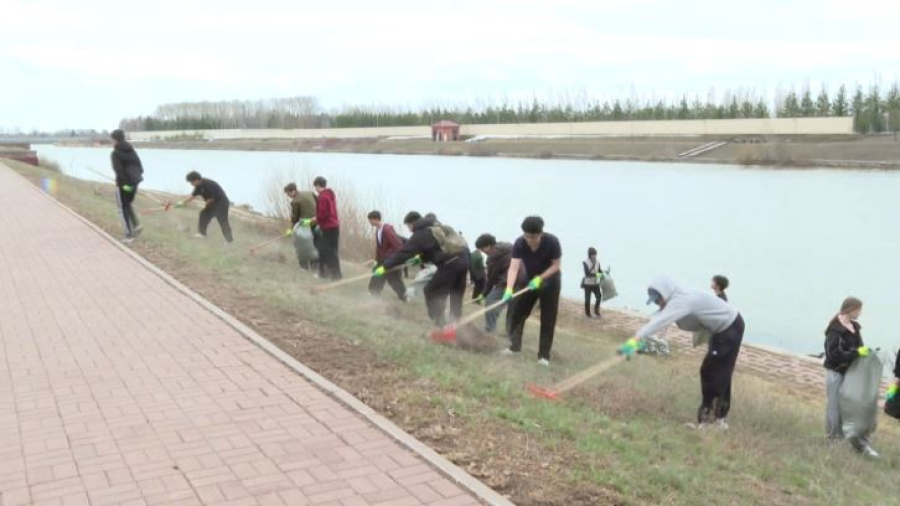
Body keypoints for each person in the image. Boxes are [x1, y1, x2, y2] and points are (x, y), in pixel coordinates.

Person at [620, 276, 745, 429]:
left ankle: (710, 422)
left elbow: (659, 321)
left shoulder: (681, 301)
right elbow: (660, 317)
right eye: (655, 301)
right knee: (718, 371)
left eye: (658, 300)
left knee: (712, 372)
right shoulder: (679, 297)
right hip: (726, 328)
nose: (658, 303)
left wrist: (634, 341)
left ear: (665, 293)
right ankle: (718, 421)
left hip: (729, 328)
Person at [379, 212, 468, 326]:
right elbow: (436, 249)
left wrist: (385, 266)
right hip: (464, 260)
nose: (409, 230)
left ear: (413, 223)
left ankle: (441, 325)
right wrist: (420, 259)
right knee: (456, 293)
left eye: (408, 226)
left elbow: (404, 253)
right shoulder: (437, 227)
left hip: (450, 264)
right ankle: (455, 323)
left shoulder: (422, 233)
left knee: (431, 291)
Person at [503, 216, 562, 366]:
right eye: (526, 236)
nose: (529, 240)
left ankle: (543, 356)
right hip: (530, 280)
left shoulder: (552, 242)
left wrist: (540, 279)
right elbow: (514, 267)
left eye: (533, 237)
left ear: (540, 234)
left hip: (550, 282)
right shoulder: (520, 243)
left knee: (548, 318)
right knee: (517, 312)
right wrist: (509, 288)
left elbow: (556, 265)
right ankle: (514, 347)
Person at [823, 297, 878, 456]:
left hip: (851, 373)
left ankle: (860, 443)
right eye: (859, 310)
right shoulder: (835, 329)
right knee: (835, 408)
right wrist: (856, 353)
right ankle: (833, 441)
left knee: (854, 408)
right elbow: (833, 354)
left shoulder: (855, 327)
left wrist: (865, 352)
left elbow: (859, 347)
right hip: (836, 372)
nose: (860, 313)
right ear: (851, 309)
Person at [475, 233, 525, 335]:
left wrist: (484, 294)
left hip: (506, 282)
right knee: (513, 309)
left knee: (491, 301)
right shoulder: (509, 248)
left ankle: (490, 330)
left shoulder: (493, 256)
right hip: (522, 281)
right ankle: (511, 333)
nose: (483, 252)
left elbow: (491, 278)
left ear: (488, 246)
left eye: (482, 248)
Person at [109, 129, 144, 243]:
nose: (111, 142)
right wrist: (132, 183)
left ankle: (128, 235)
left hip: (123, 185)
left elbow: (119, 171)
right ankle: (136, 225)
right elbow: (141, 168)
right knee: (127, 205)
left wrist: (123, 185)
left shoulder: (115, 153)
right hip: (135, 183)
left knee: (122, 208)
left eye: (112, 140)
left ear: (115, 140)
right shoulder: (132, 151)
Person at [178, 171, 233, 243]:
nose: (191, 184)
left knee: (222, 221)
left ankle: (229, 240)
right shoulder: (198, 186)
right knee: (203, 214)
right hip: (214, 203)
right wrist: (182, 202)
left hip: (221, 203)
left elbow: (212, 198)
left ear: (196, 180)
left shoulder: (208, 184)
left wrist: (207, 204)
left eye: (191, 182)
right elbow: (192, 196)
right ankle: (202, 233)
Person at [367, 210, 407, 301]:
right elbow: (379, 247)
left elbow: (397, 245)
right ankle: (373, 293)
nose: (370, 222)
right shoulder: (378, 230)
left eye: (371, 220)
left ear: (376, 219)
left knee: (394, 279)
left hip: (390, 259)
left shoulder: (387, 229)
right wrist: (377, 259)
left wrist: (393, 258)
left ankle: (404, 296)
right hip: (382, 259)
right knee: (377, 272)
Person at [309, 176, 341, 280]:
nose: (315, 189)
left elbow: (324, 214)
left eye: (315, 186)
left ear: (318, 185)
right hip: (334, 226)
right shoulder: (330, 195)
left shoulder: (322, 197)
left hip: (328, 227)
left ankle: (336, 276)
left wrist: (315, 219)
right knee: (328, 251)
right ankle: (324, 274)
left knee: (327, 251)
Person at [284, 182, 318, 273]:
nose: (288, 196)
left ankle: (304, 267)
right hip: (318, 222)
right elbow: (319, 202)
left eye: (288, 193)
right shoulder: (309, 193)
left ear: (293, 191)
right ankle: (315, 267)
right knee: (315, 245)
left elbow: (294, 219)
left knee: (302, 246)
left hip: (306, 225)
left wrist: (290, 229)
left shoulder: (295, 202)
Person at [581, 247, 604, 318]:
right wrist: (598, 275)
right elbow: (587, 274)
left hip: (595, 283)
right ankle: (588, 314)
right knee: (587, 299)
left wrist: (604, 273)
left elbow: (599, 271)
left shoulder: (598, 262)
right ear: (589, 255)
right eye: (593, 254)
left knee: (599, 296)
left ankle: (596, 311)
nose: (594, 256)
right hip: (587, 284)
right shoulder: (585, 262)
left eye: (595, 254)